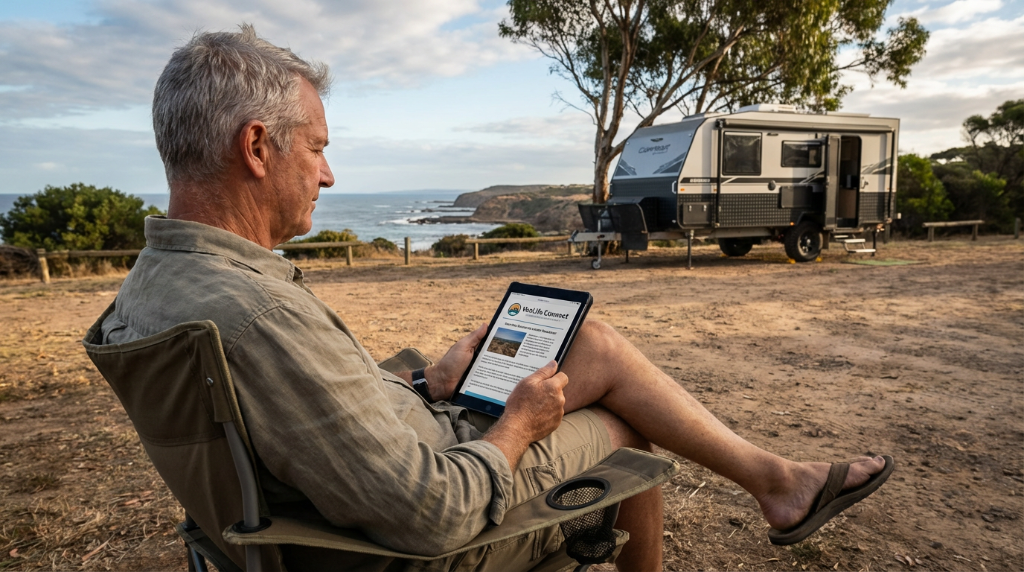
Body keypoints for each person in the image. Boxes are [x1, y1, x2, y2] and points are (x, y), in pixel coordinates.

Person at [93, 25, 893, 571]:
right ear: (258, 147)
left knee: (597, 345)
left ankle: (775, 481)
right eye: (319, 149)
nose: (329, 175)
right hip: (406, 545)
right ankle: (779, 486)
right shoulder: (252, 311)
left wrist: (423, 386)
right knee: (624, 436)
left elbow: (304, 419)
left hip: (344, 493)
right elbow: (427, 515)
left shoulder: (156, 286)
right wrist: (516, 428)